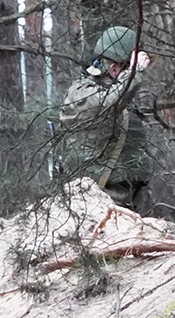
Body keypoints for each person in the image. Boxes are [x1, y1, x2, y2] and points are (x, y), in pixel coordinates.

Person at [59, 26, 154, 212]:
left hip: (124, 199)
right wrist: (135, 72)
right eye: (127, 67)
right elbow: (108, 102)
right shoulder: (80, 95)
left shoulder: (114, 93)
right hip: (90, 203)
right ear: (114, 68)